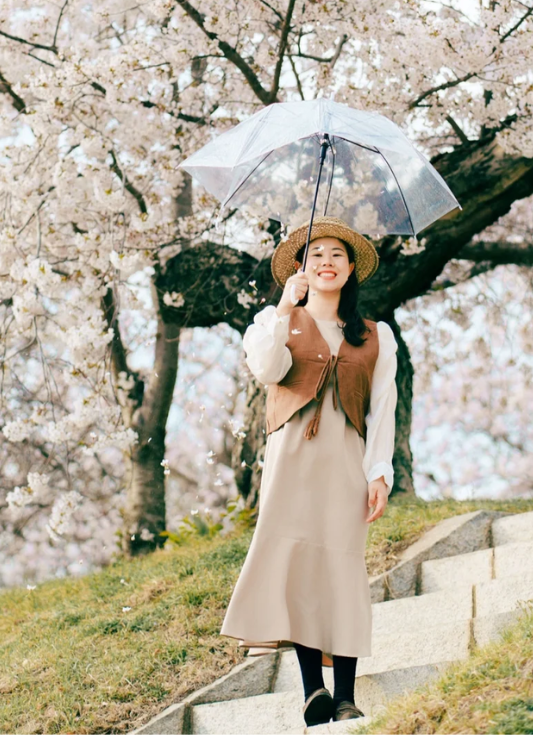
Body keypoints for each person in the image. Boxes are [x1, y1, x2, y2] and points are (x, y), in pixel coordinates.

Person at [219, 216, 397, 726]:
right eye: (315, 254)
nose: (326, 262)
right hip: (292, 453)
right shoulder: (275, 323)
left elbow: (384, 406)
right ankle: (313, 691)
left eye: (336, 255)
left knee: (341, 564)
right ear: (301, 268)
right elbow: (267, 370)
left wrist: (378, 472)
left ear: (350, 270)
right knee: (297, 564)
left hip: (346, 457)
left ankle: (346, 693)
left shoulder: (375, 336)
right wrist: (283, 307)